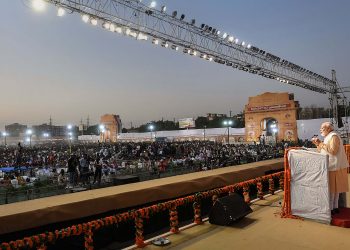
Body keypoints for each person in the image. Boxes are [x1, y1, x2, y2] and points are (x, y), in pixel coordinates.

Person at [311, 122, 349, 215]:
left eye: (322, 128)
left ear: (328, 129)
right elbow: (323, 150)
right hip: (332, 166)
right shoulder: (328, 137)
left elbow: (333, 151)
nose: (320, 130)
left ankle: (333, 208)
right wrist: (317, 144)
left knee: (334, 189)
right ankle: (334, 208)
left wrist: (320, 143)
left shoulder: (334, 136)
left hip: (335, 166)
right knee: (334, 189)